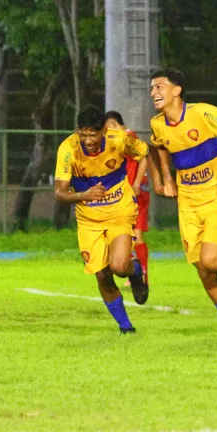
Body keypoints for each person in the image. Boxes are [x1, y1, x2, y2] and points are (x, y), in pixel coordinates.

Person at [148, 68, 217, 337]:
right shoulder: (157, 124)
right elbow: (158, 145)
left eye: (159, 86)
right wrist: (167, 178)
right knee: (204, 270)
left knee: (211, 258)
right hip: (188, 203)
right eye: (151, 88)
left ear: (177, 90)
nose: (154, 92)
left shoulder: (201, 112)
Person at [54, 106, 151, 334]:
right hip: (89, 220)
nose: (88, 140)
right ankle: (126, 328)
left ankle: (135, 271)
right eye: (83, 134)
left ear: (103, 131)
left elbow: (144, 153)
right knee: (102, 275)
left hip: (119, 211)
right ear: (78, 131)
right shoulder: (67, 149)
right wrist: (83, 195)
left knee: (118, 266)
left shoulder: (118, 139)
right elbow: (59, 193)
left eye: (93, 134)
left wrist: (138, 183)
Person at [104, 111, 154, 286]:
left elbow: (144, 158)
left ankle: (141, 276)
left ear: (112, 125)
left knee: (135, 234)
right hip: (129, 193)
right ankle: (136, 272)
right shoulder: (123, 138)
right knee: (129, 234)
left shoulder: (127, 137)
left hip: (135, 193)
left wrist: (137, 184)